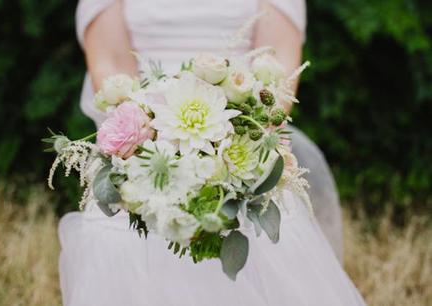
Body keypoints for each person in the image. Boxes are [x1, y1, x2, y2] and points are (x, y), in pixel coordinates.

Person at [59, 1, 361, 305]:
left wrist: (233, 141)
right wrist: (147, 137)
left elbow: (277, 65)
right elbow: (110, 65)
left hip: (240, 139)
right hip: (146, 146)